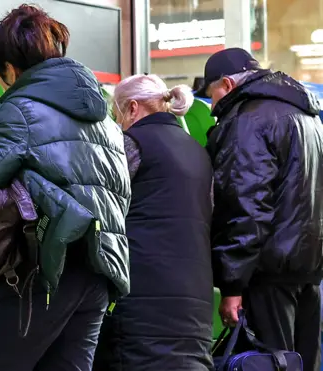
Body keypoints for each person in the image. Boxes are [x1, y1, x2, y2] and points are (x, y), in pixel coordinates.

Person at [0, 4, 131, 371]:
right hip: (98, 273)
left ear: (10, 70)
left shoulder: (23, 109)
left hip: (42, 274)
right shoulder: (105, 120)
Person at [195, 47, 323, 371]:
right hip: (309, 270)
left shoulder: (247, 119)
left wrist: (232, 285)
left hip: (267, 271)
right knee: (300, 362)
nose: (212, 107)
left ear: (226, 84)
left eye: (211, 95)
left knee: (270, 363)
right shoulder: (307, 116)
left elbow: (244, 206)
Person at [93, 74, 214, 370]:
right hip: (194, 297)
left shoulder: (130, 143)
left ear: (133, 108)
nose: (117, 122)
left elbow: (102, 204)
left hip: (143, 294)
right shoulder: (197, 150)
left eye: (117, 113)